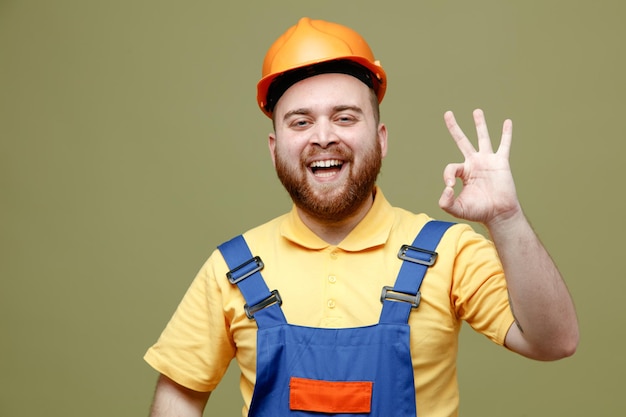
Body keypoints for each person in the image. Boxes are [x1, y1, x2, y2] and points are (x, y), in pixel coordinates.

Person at [144, 17, 579, 417]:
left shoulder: (449, 252)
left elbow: (554, 342)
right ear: (275, 148)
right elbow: (179, 392)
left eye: (345, 117)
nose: (323, 136)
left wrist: (506, 217)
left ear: (380, 138)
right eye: (300, 122)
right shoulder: (232, 268)